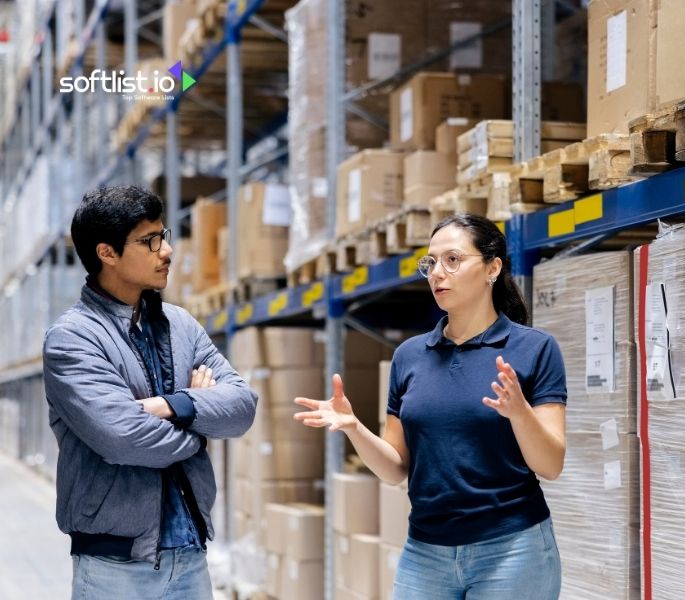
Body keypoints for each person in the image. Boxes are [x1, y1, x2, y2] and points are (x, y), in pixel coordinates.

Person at [295, 213, 567, 599]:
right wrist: (354, 428)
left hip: (512, 548)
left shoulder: (533, 348)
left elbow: (550, 465)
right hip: (425, 551)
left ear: (492, 268)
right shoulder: (409, 356)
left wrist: (519, 412)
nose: (437, 273)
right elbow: (394, 469)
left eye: (452, 260)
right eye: (431, 262)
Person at [42, 186, 258, 600]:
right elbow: (124, 439)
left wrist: (170, 406)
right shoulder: (73, 339)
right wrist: (199, 424)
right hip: (115, 568)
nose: (168, 251)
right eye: (149, 241)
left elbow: (241, 407)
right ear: (107, 253)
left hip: (191, 556)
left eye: (164, 235)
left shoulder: (181, 325)